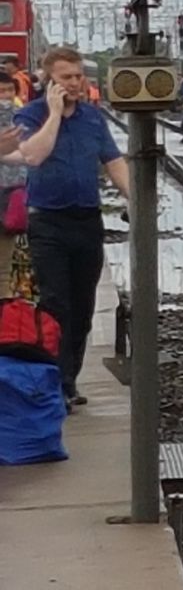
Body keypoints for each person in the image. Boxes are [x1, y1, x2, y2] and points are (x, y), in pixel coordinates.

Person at [16, 47, 130, 409]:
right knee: (55, 303)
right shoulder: (30, 115)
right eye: (67, 77)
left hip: (86, 221)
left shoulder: (93, 119)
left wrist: (137, 199)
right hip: (47, 221)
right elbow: (34, 155)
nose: (76, 83)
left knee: (82, 307)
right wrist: (53, 114)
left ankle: (68, 380)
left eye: (79, 76)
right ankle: (52, 382)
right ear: (49, 80)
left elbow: (113, 161)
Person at [0, 73, 25, 298]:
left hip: (10, 197)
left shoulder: (21, 118)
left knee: (4, 267)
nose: (5, 96)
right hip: (11, 196)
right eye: (1, 91)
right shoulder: (21, 118)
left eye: (9, 90)